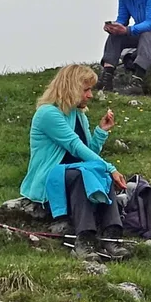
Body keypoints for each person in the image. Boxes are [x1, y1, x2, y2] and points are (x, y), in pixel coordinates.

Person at [21, 64, 133, 261]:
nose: (90, 95)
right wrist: (111, 168)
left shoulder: (78, 115)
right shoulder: (48, 113)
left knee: (96, 171)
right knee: (85, 173)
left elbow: (87, 153)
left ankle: (112, 236)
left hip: (76, 174)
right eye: (86, 89)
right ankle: (84, 239)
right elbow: (74, 146)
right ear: (71, 88)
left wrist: (101, 132)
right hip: (50, 180)